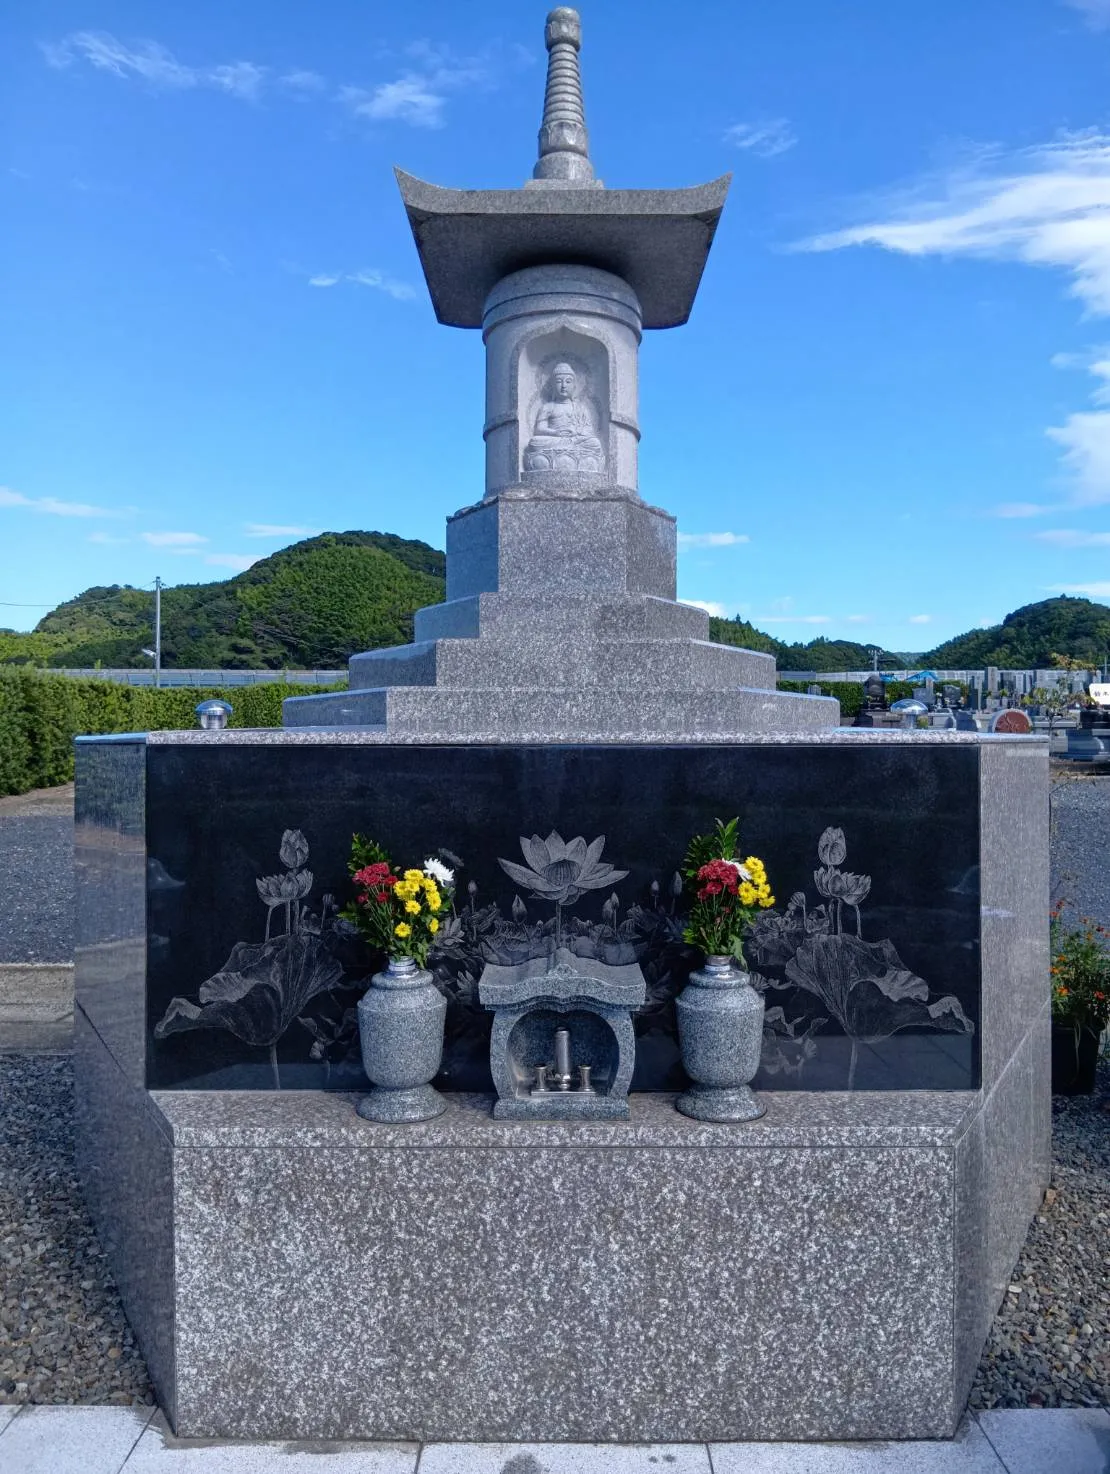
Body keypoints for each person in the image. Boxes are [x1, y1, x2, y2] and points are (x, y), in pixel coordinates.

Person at [523, 362, 605, 472]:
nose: (563, 386)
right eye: (558, 382)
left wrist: (577, 432)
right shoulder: (548, 407)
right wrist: (555, 433)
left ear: (574, 386)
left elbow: (588, 430)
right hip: (555, 439)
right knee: (535, 442)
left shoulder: (580, 408)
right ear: (552, 385)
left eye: (568, 382)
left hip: (576, 440)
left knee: (595, 443)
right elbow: (539, 429)